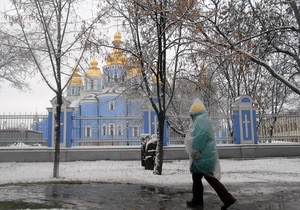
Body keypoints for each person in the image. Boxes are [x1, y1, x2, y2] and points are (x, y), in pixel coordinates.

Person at [184, 98, 236, 209]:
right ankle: (197, 200)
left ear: (194, 112)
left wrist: (195, 151)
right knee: (197, 178)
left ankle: (227, 198)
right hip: (206, 155)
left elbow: (200, 137)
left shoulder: (200, 120)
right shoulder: (204, 119)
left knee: (208, 178)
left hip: (202, 156)